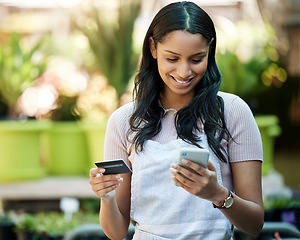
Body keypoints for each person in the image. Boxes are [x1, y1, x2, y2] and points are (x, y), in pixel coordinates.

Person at [89, 1, 264, 239]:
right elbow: (117, 232)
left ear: (210, 50)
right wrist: (106, 196)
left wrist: (217, 194)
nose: (184, 72)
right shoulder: (123, 121)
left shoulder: (233, 112)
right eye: (172, 58)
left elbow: (254, 223)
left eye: (196, 59)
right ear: (153, 48)